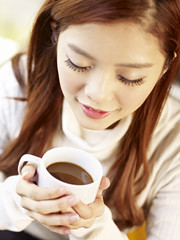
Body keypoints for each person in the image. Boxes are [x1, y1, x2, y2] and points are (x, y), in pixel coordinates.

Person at [0, 0, 180, 239]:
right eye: (79, 64)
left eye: (130, 78)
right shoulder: (16, 86)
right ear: (55, 32)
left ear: (166, 65)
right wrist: (17, 199)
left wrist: (93, 226)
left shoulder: (173, 140)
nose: (98, 94)